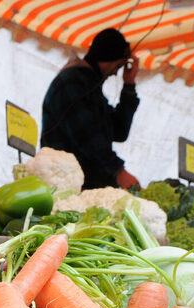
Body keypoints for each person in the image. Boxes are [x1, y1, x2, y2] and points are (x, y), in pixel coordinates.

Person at [40, 27, 140, 190]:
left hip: (84, 184)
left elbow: (119, 131)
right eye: (118, 66)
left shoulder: (89, 86)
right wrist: (118, 171)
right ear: (110, 59)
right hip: (66, 184)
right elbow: (88, 135)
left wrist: (128, 86)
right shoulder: (73, 83)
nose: (116, 73)